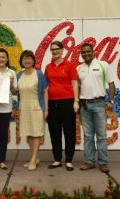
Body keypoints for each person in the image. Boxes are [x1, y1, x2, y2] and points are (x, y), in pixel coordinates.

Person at [77, 43, 115, 173]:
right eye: (83, 52)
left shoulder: (102, 65)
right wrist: (77, 102)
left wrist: (111, 101)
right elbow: (77, 87)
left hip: (99, 103)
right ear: (81, 54)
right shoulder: (79, 68)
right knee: (88, 135)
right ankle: (89, 161)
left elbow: (111, 84)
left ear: (93, 52)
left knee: (101, 135)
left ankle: (103, 162)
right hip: (84, 105)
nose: (86, 54)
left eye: (88, 51)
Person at [44, 41, 79, 171]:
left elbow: (75, 84)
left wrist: (76, 101)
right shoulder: (48, 67)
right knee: (54, 132)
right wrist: (45, 105)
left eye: (57, 49)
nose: (54, 51)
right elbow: (45, 87)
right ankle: (57, 159)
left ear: (62, 50)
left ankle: (69, 160)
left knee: (69, 132)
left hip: (67, 101)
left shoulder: (69, 65)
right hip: (52, 103)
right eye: (52, 49)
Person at [17, 50, 48, 171]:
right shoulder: (19, 75)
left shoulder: (39, 74)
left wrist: (45, 108)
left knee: (36, 134)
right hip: (23, 108)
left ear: (33, 60)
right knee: (29, 134)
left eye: (29, 58)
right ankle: (34, 158)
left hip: (36, 107)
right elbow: (16, 91)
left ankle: (33, 159)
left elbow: (45, 90)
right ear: (21, 61)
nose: (27, 60)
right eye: (24, 58)